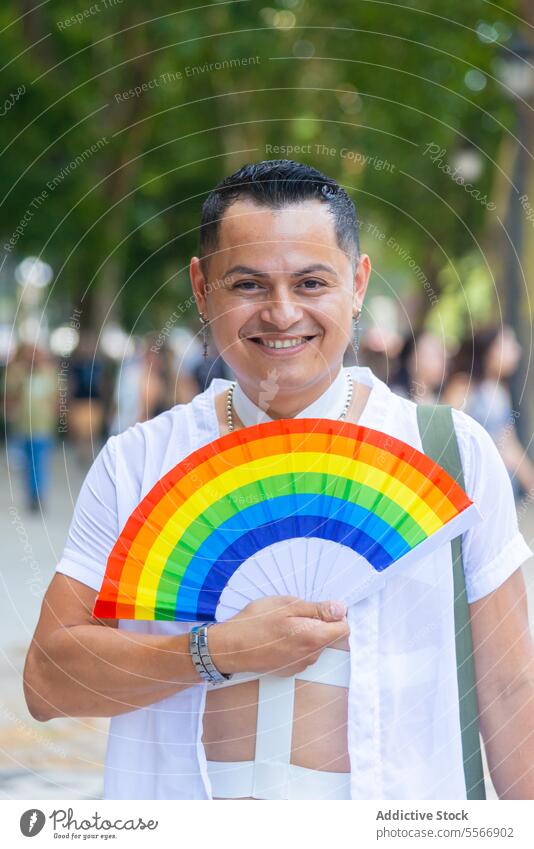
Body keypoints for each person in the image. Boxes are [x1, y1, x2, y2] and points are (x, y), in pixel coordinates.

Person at [24, 160, 534, 800]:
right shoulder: (138, 462)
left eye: (312, 281)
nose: (283, 312)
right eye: (248, 284)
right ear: (203, 289)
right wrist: (217, 651)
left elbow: (513, 691)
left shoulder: (451, 453)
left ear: (357, 283)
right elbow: (46, 682)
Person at [444, 325, 534, 498]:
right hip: (472, 491)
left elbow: (510, 444)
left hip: (501, 492)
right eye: (508, 344)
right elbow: (446, 437)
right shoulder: (463, 386)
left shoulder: (500, 390)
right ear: (490, 350)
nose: (517, 350)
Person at [6, 343, 57, 511]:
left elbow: (56, 397)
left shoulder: (49, 374)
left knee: (39, 462)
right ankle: (31, 494)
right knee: (27, 463)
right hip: (23, 427)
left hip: (42, 427)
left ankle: (37, 495)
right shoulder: (19, 374)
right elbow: (10, 394)